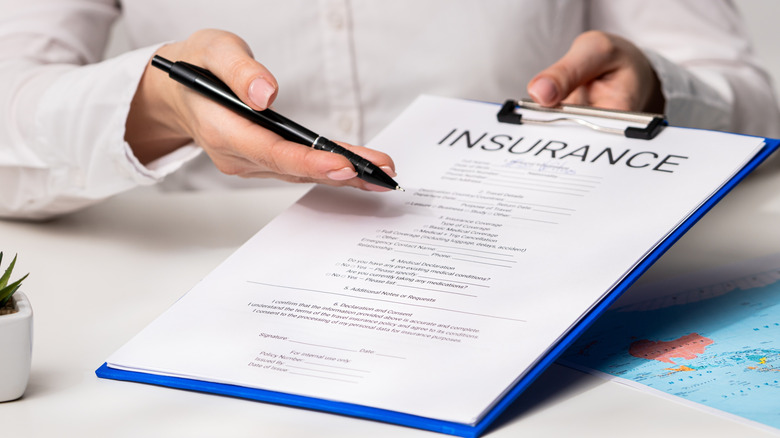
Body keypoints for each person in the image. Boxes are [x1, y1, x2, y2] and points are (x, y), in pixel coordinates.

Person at [1, 0, 778, 220]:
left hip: (517, 264)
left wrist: (659, 94)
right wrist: (154, 104)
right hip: (187, 280)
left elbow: (754, 108)